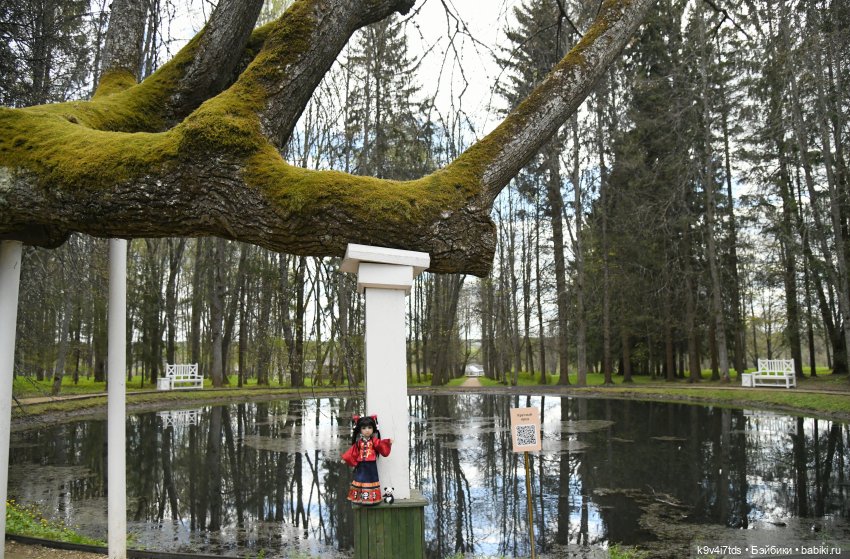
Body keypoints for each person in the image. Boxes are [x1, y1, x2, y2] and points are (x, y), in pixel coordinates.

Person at [341, 414, 392, 505]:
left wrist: (388, 442)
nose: (367, 430)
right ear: (360, 430)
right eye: (364, 428)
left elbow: (381, 445)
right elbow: (353, 452)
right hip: (361, 466)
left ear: (373, 429)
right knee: (360, 479)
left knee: (371, 480)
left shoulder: (374, 441)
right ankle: (360, 499)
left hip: (371, 465)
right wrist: (345, 458)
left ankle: (372, 499)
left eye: (369, 427)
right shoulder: (358, 443)